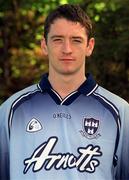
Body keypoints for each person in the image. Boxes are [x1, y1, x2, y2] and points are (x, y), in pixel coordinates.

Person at [0, 4, 129, 180]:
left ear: (89, 46)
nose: (67, 49)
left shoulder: (120, 112)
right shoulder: (11, 111)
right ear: (44, 45)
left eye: (76, 40)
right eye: (58, 39)